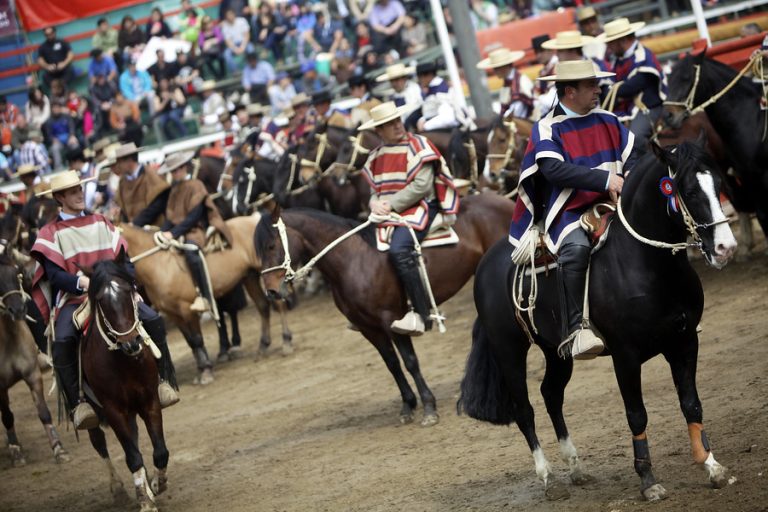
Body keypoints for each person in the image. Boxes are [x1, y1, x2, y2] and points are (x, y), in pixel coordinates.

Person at [508, 60, 640, 359]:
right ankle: (576, 328)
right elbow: (553, 170)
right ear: (570, 91)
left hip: (615, 202)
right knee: (575, 249)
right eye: (591, 85)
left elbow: (634, 152)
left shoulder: (608, 118)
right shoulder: (546, 127)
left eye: (597, 83)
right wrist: (606, 179)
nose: (598, 89)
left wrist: (630, 173)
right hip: (567, 210)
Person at [30, 170, 179, 430]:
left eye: (80, 190)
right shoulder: (49, 233)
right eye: (73, 192)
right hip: (75, 299)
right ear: (59, 197)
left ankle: (163, 382)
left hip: (115, 293)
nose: (79, 195)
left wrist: (127, 284)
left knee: (153, 319)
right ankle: (78, 404)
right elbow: (53, 275)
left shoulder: (101, 221)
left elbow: (125, 260)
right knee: (63, 339)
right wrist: (81, 282)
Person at [360, 102, 459, 336]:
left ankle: (422, 315)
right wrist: (374, 203)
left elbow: (422, 187)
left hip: (423, 207)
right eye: (389, 124)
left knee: (399, 250)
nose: (397, 126)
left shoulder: (419, 145)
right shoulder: (376, 155)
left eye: (397, 120)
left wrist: (388, 204)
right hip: (389, 211)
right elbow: (375, 188)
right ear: (379, 131)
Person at [156, 151, 233, 313]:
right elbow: (171, 217)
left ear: (184, 168)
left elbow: (194, 216)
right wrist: (161, 232)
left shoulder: (196, 185)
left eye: (178, 169)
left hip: (196, 230)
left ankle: (205, 296)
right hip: (180, 230)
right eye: (172, 171)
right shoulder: (174, 190)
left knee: (191, 253)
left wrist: (173, 233)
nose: (175, 173)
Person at [598, 17, 668, 150]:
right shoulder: (619, 59)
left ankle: (647, 167)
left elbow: (630, 88)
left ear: (622, 41)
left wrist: (613, 90)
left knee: (635, 137)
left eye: (610, 43)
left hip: (649, 107)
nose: (608, 47)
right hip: (627, 107)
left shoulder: (643, 56)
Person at [542, 31, 612, 107]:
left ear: (572, 51)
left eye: (560, 51)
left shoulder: (593, 67)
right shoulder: (565, 68)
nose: (557, 55)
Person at [111, 142, 171, 227]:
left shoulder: (151, 174)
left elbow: (158, 203)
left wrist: (137, 223)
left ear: (129, 161)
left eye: (119, 162)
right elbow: (122, 206)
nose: (118, 166)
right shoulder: (122, 181)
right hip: (133, 230)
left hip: (154, 227)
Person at [477, 47, 534, 119]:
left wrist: (504, 119)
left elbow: (519, 109)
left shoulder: (521, 81)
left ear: (505, 67)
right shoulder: (506, 84)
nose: (494, 71)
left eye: (496, 68)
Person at [408, 61, 459, 132]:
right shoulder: (434, 88)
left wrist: (425, 125)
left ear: (429, 75)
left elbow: (448, 118)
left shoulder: (440, 91)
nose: (419, 81)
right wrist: (423, 119)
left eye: (420, 77)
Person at [220, 8, 253, 73]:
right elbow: (228, 41)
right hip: (233, 46)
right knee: (226, 54)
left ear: (234, 14)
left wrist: (243, 47)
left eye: (231, 15)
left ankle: (251, 67)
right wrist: (235, 49)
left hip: (244, 43)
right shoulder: (225, 26)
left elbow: (247, 35)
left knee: (251, 49)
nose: (230, 17)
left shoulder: (242, 21)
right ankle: (235, 71)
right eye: (228, 16)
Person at [198, 16, 226, 80]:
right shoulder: (201, 33)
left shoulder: (215, 29)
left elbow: (221, 39)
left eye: (209, 22)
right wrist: (206, 45)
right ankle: (217, 76)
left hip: (218, 51)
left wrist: (210, 42)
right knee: (207, 61)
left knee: (221, 57)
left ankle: (223, 75)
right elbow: (201, 45)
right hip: (208, 53)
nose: (208, 25)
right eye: (206, 23)